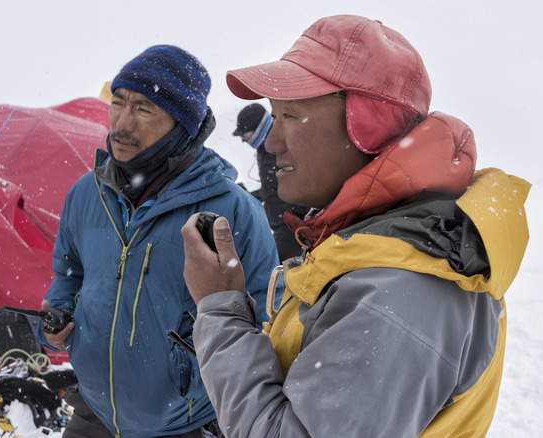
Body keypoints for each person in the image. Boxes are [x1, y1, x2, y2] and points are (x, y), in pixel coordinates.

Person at [181, 15, 530, 437]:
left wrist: (220, 308)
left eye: (290, 115)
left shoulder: (399, 288)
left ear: (367, 127)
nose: (271, 144)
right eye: (273, 116)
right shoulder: (378, 242)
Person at [35, 45, 279, 438]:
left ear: (183, 126)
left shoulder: (230, 210)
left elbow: (267, 317)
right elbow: (69, 271)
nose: (122, 124)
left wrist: (190, 367)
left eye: (144, 109)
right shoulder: (86, 193)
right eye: (118, 103)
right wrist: (59, 314)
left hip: (181, 423)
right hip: (92, 414)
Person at [232, 103, 309, 260]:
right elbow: (274, 186)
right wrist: (254, 196)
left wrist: (296, 217)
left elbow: (304, 183)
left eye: (246, 135)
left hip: (291, 227)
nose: (244, 141)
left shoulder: (282, 148)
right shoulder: (265, 149)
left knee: (278, 274)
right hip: (281, 227)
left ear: (260, 127)